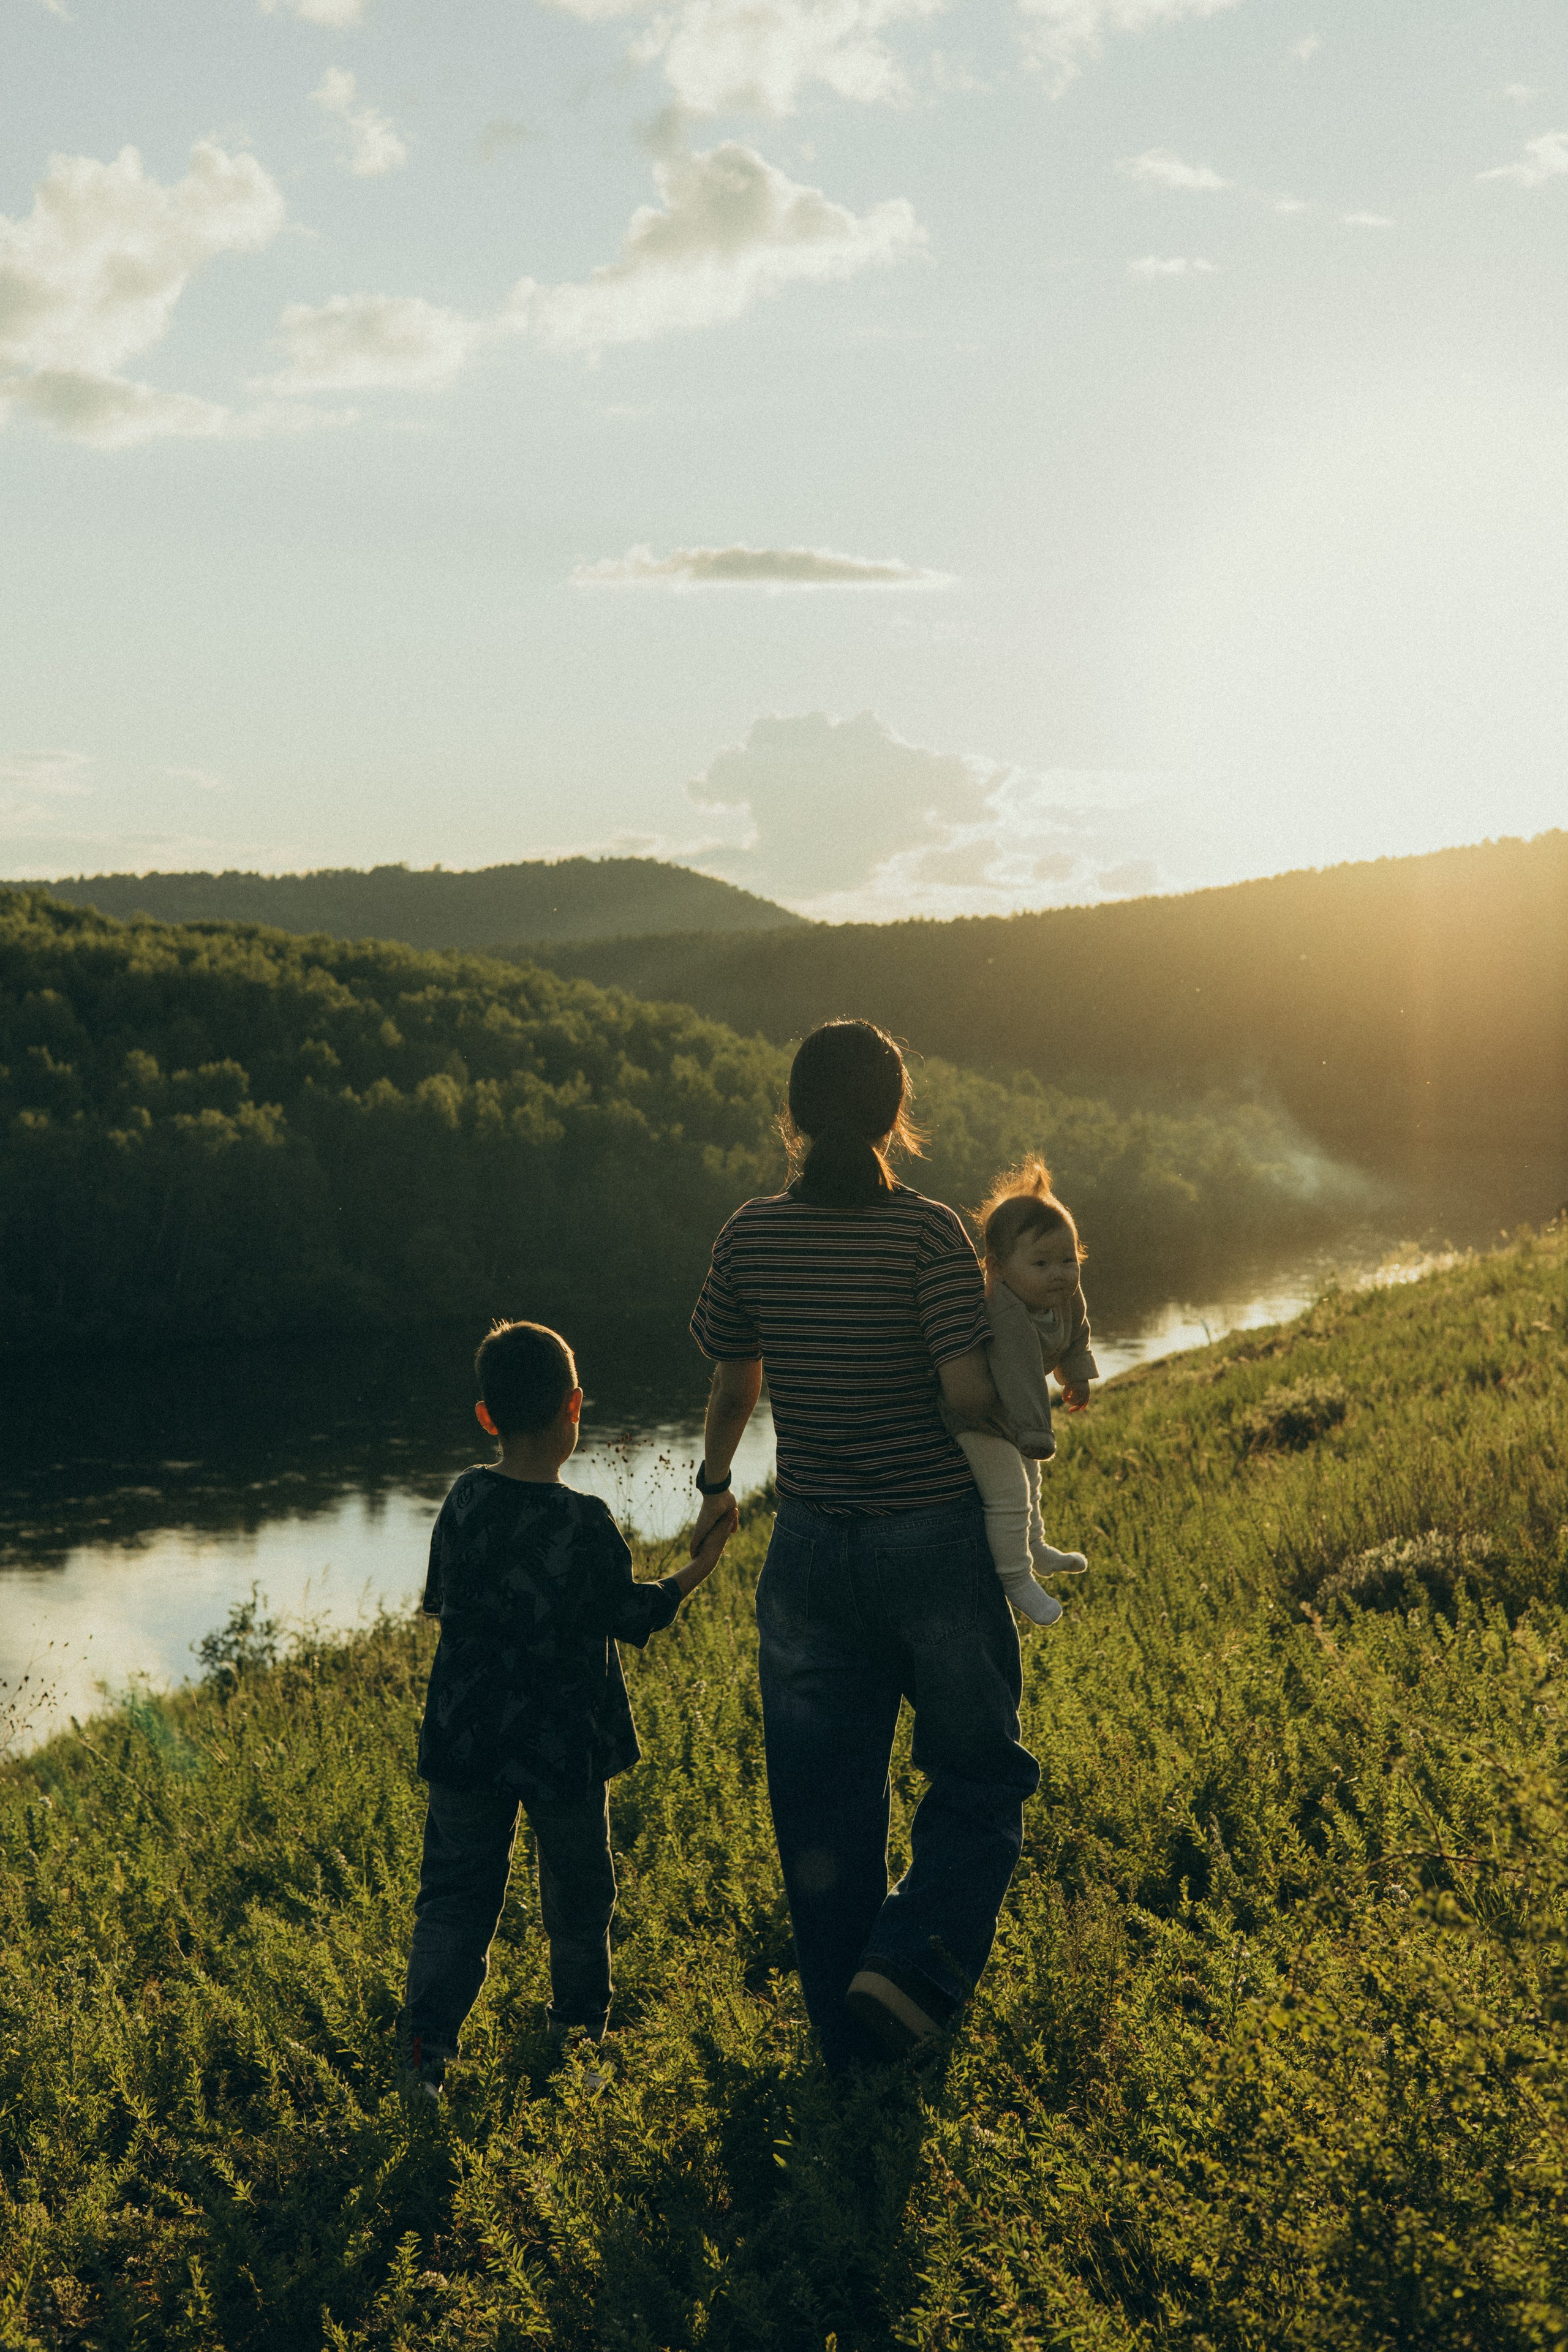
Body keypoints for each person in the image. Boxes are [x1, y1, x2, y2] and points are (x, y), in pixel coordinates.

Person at [688, 1019, 1041, 2071]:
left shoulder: (750, 1233)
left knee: (822, 1812)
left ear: (792, 1120)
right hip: (931, 1544)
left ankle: (851, 2053)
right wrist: (1028, 1406)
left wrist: (714, 1488)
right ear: (899, 1117)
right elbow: (963, 1393)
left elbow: (731, 1380)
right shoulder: (930, 1235)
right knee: (978, 1778)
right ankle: (912, 1966)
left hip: (808, 1555)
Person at [399, 1317, 737, 2099]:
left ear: (486, 1417)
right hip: (565, 1746)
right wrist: (701, 1565)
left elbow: (444, 1603)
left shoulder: (463, 1499)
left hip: (466, 1740)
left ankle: (425, 2052)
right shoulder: (581, 1521)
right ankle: (580, 2041)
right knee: (580, 1894)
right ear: (574, 1406)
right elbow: (631, 1616)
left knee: (454, 1895)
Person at [941, 1158, 1099, 1628]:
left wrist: (1077, 1374)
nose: (1060, 1274)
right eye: (1042, 1263)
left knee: (1030, 1483)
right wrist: (1036, 1434)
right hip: (977, 1419)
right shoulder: (1003, 1311)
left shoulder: (1065, 1296)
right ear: (999, 1270)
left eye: (1068, 1260)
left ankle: (1036, 1548)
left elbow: (1077, 1335)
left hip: (1013, 1413)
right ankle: (1016, 1578)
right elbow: (1019, 1376)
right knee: (1009, 1490)